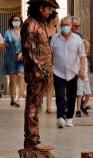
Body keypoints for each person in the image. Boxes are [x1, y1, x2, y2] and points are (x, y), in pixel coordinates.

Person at [20, 0, 59, 153]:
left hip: (43, 73)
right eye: (49, 9)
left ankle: (34, 139)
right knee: (32, 108)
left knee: (36, 107)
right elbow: (29, 52)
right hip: (37, 74)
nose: (50, 12)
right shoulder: (31, 25)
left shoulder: (39, 23)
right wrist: (39, 73)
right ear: (41, 8)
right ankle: (32, 141)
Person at [51, 16, 85, 128]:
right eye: (63, 25)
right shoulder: (55, 38)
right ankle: (60, 117)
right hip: (58, 72)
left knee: (71, 96)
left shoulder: (77, 39)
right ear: (60, 26)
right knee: (59, 95)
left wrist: (82, 69)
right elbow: (50, 54)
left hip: (73, 72)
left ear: (71, 26)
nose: (65, 27)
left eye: (67, 25)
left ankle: (69, 118)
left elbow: (82, 56)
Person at [4, 15, 25, 108]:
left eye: (18, 20)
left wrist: (23, 53)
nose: (16, 21)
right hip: (11, 58)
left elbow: (27, 43)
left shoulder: (24, 32)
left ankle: (17, 98)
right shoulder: (8, 32)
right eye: (14, 20)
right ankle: (12, 98)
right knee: (12, 79)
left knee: (20, 76)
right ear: (11, 22)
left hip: (21, 58)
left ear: (21, 21)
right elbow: (4, 45)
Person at [45, 10, 59, 114]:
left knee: (51, 83)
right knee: (43, 83)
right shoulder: (44, 29)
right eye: (57, 18)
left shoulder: (58, 30)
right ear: (52, 19)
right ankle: (40, 104)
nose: (58, 20)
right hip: (44, 59)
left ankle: (49, 106)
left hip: (56, 60)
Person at [76, 38, 91, 117]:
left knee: (88, 94)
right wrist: (79, 74)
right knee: (79, 95)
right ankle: (78, 110)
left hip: (86, 79)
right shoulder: (79, 57)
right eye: (86, 48)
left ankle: (83, 106)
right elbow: (77, 68)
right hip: (80, 79)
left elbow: (86, 69)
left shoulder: (85, 57)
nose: (87, 50)